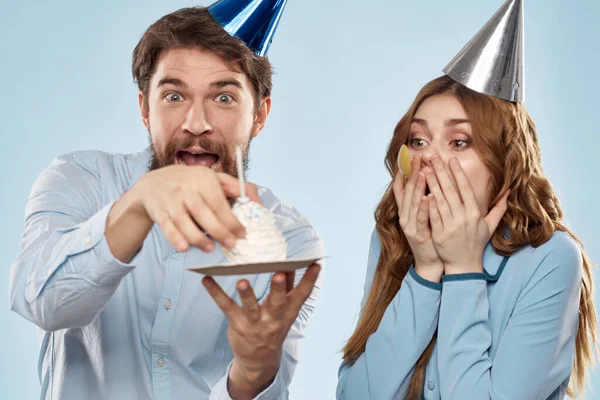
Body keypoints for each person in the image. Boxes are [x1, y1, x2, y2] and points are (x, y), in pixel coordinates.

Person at [9, 3, 323, 400]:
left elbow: (263, 388)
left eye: (223, 98)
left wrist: (252, 375)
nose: (196, 123)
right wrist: (137, 205)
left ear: (259, 115)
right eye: (174, 96)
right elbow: (41, 302)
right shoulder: (81, 180)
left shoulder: (289, 241)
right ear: (145, 109)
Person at [336, 1, 597, 399]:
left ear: (504, 161)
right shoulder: (393, 237)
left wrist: (461, 268)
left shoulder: (552, 258)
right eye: (418, 140)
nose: (430, 158)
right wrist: (424, 271)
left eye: (459, 142)